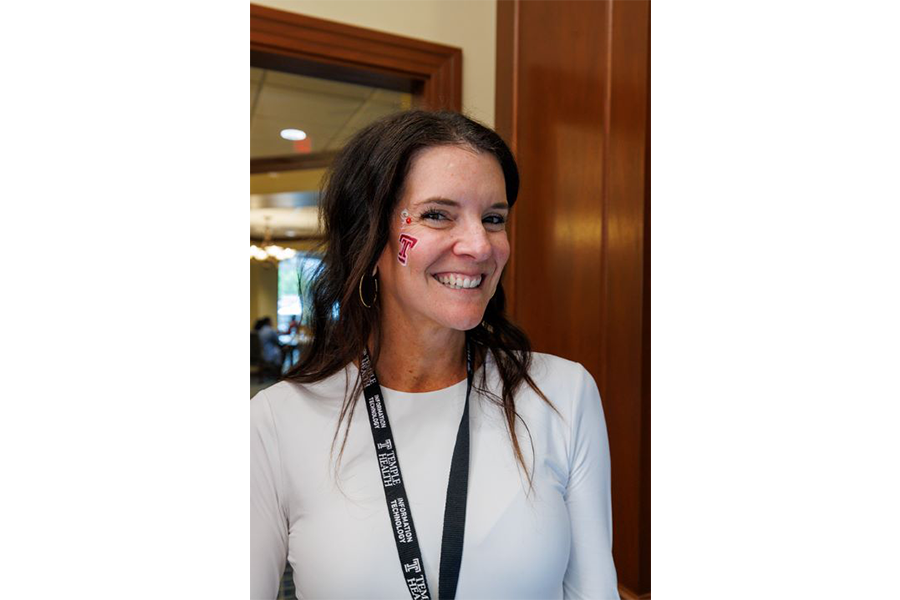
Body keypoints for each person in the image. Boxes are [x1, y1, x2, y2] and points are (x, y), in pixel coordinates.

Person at [250, 110, 618, 599]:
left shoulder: (562, 395)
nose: (479, 246)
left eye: (493, 219)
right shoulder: (278, 421)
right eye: (437, 214)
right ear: (371, 236)